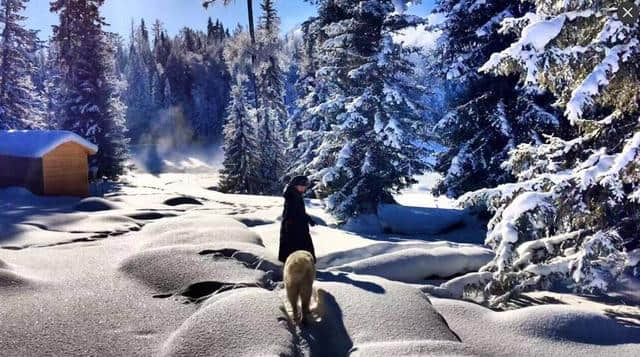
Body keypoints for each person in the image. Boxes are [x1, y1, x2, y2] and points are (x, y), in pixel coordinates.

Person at [278, 175, 317, 263]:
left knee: (301, 248)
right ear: (296, 185)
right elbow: (289, 213)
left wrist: (309, 219)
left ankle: (302, 266)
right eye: (302, 186)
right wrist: (289, 227)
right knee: (296, 249)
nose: (304, 188)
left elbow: (300, 212)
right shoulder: (292, 196)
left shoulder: (296, 194)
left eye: (305, 186)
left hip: (298, 227)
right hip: (294, 229)